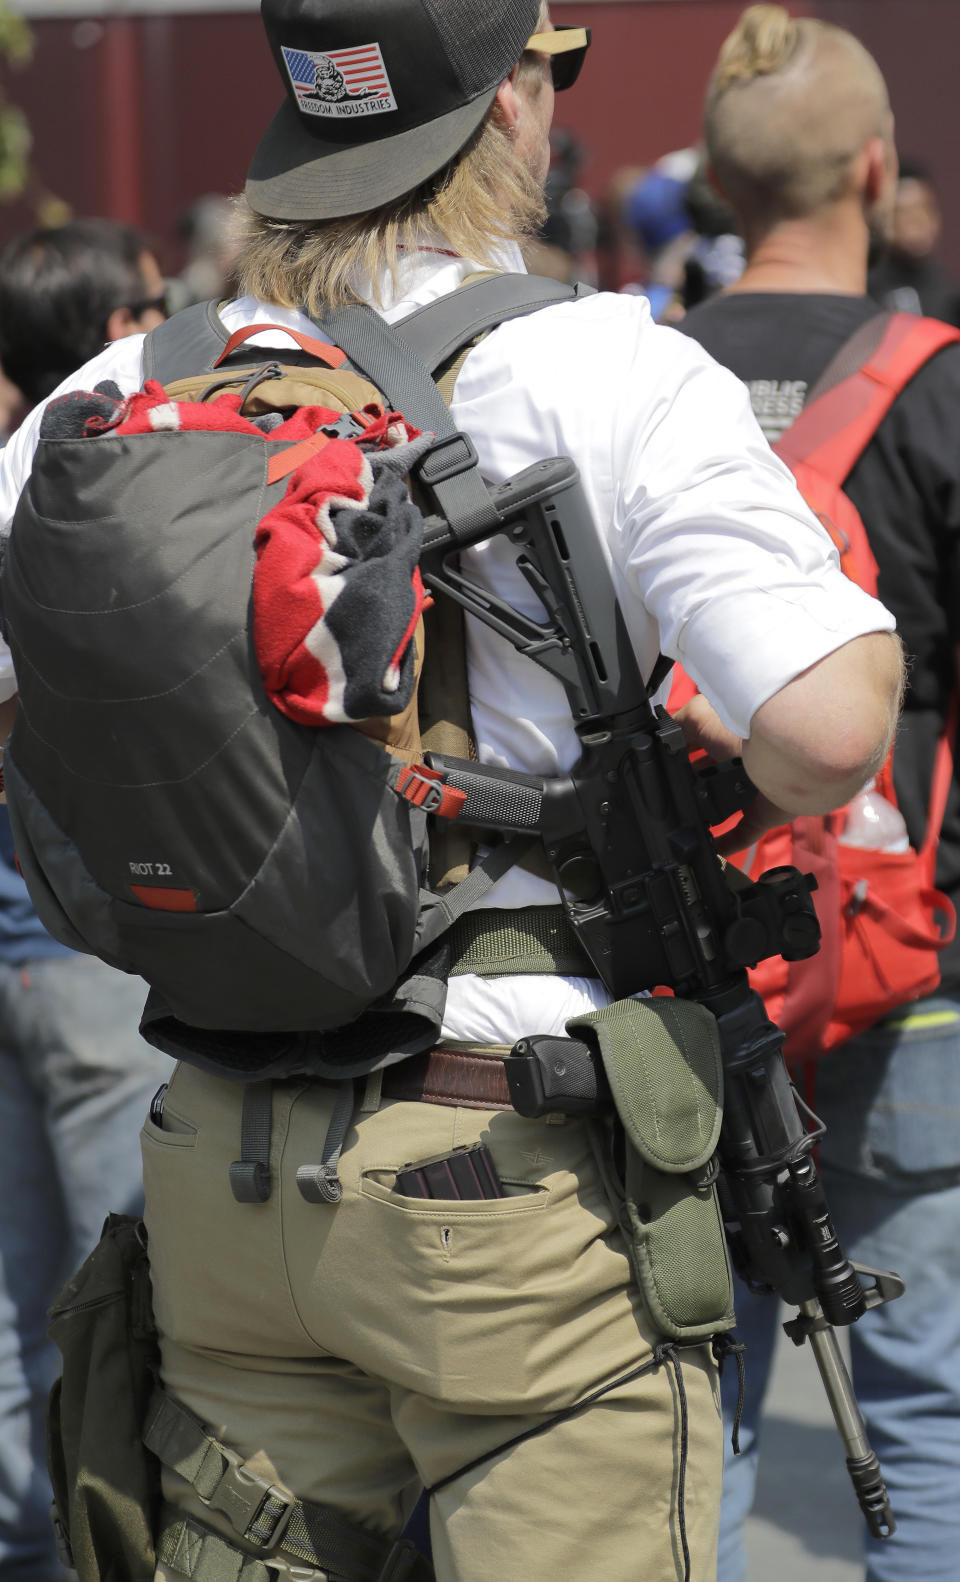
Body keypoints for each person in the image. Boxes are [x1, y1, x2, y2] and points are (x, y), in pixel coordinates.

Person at [0, 5, 902, 1580]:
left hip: (219, 1161)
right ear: (506, 109)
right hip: (511, 1178)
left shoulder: (117, 388)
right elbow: (828, 724)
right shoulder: (600, 366)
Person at [680, 9, 960, 1581]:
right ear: (875, 167)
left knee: (691, 1407)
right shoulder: (940, 392)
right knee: (921, 1412)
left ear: (716, 183)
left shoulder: (636, 382)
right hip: (911, 976)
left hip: (691, 979)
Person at [0, 218, 172, 1582]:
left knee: (23, 1298)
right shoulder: (109, 482)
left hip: (27, 951)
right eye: (157, 304)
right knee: (128, 1291)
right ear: (116, 329)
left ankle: (38, 1542)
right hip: (91, 956)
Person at [869, 158, 960, 327]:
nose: (919, 222)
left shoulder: (948, 289)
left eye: (925, 209)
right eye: (905, 213)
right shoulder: (868, 290)